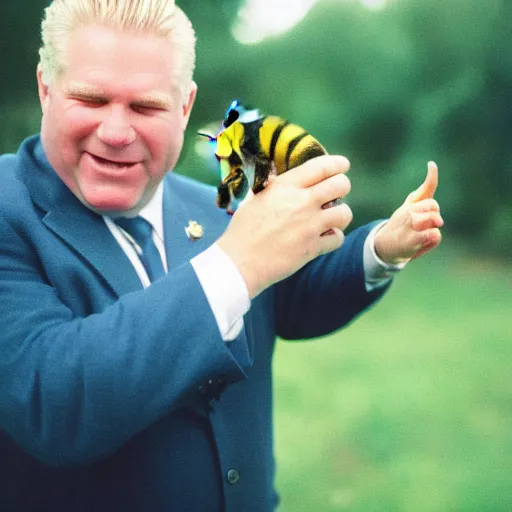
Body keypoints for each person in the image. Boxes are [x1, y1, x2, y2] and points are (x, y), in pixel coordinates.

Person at [0, 1, 443, 511]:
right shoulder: (10, 212)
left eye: (145, 107)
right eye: (92, 99)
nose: (117, 132)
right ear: (46, 87)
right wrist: (236, 262)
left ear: (185, 107)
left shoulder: (213, 205)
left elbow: (289, 297)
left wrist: (380, 248)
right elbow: (53, 402)